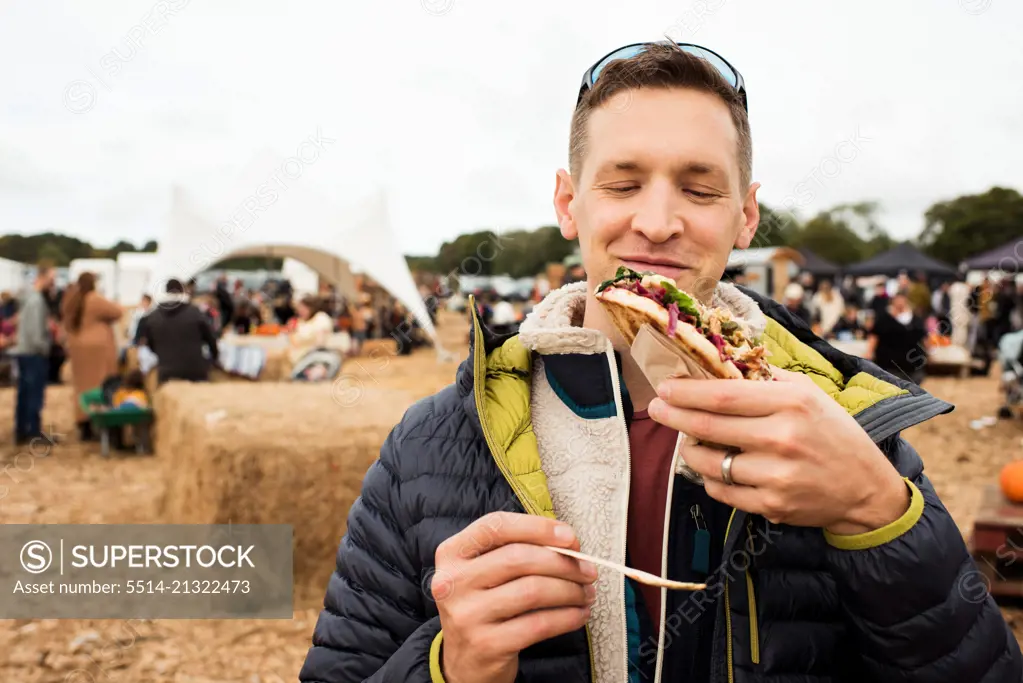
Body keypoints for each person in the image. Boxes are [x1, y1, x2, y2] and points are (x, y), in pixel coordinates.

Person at [299, 42, 1021, 683]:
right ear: (567, 202)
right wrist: (449, 665)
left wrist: (880, 515)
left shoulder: (849, 428)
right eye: (621, 183)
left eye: (700, 189)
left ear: (745, 215)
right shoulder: (427, 446)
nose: (655, 222)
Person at [61, 272, 122, 442]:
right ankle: (103, 422)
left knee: (82, 387)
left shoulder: (72, 299)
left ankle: (83, 422)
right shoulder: (94, 298)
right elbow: (117, 312)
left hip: (78, 348)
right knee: (102, 384)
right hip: (98, 349)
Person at [134, 279, 219, 385]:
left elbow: (148, 343)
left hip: (167, 372)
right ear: (182, 291)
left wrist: (162, 354)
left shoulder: (152, 317)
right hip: (195, 371)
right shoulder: (195, 313)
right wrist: (214, 359)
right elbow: (211, 338)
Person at [12, 263, 57, 445]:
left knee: (24, 392)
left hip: (23, 350)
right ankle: (33, 432)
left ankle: (21, 430)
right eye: (52, 279)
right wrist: (45, 348)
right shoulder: (37, 301)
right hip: (34, 353)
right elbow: (37, 332)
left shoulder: (28, 297)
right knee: (34, 394)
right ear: (43, 277)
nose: (53, 283)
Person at [867, 292, 929, 385]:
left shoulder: (916, 319)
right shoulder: (884, 319)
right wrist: (869, 351)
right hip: (890, 366)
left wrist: (928, 352)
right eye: (897, 300)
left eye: (902, 300)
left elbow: (924, 337)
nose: (900, 303)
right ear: (893, 302)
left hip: (913, 366)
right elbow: (874, 336)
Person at [287, 296, 334, 366]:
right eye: (299, 309)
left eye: (303, 308)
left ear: (311, 307)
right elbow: (294, 343)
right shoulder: (301, 322)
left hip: (315, 359)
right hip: (297, 359)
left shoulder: (320, 318)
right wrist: (291, 331)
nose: (300, 311)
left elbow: (320, 343)